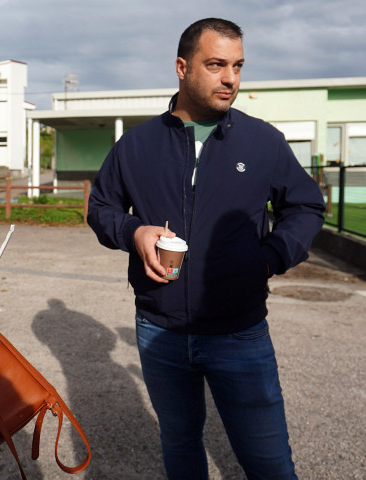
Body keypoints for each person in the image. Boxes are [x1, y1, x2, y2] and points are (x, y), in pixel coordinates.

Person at [87, 18, 325, 480]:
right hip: (159, 328)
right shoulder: (136, 144)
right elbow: (101, 207)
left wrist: (270, 257)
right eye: (216, 64)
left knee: (269, 462)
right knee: (179, 443)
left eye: (237, 66)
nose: (230, 78)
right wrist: (134, 233)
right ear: (182, 67)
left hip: (240, 333)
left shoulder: (263, 142)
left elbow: (306, 207)